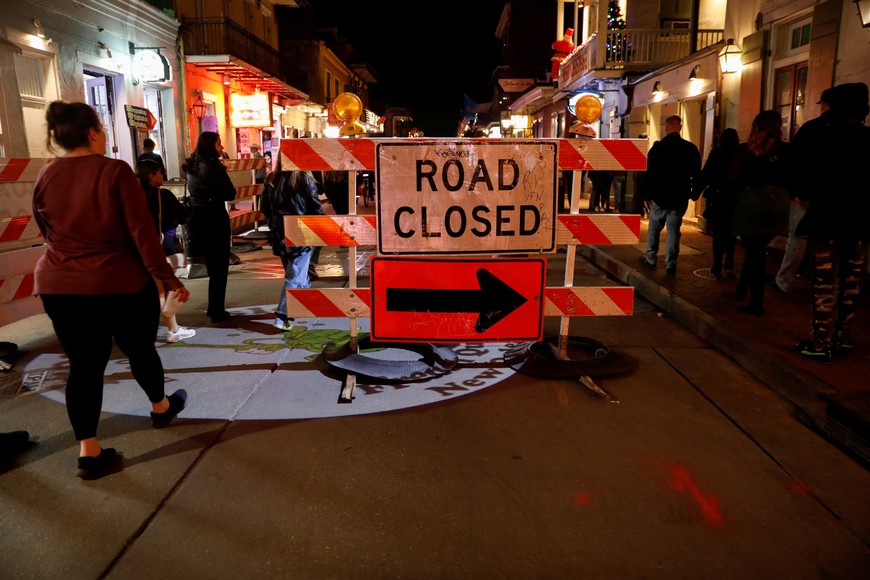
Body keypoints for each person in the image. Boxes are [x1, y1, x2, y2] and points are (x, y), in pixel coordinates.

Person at [32, 101, 190, 480]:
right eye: (101, 126)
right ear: (91, 133)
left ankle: (89, 451)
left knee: (84, 366)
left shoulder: (46, 174)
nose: (103, 132)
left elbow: (44, 228)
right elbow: (142, 234)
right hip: (117, 282)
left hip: (60, 283)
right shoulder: (114, 171)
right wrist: (167, 277)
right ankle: (159, 407)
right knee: (139, 349)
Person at [793, 82, 870, 362]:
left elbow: (798, 173)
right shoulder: (867, 138)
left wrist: (807, 196)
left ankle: (820, 340)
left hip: (825, 218)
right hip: (860, 222)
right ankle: (842, 335)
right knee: (851, 282)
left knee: (824, 282)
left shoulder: (816, 133)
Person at [772, 88, 834, 294]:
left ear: (824, 105)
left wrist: (793, 192)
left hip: (806, 194)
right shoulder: (858, 133)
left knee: (797, 239)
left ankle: (785, 279)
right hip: (835, 197)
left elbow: (791, 163)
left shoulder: (811, 128)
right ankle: (827, 283)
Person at [731, 110, 792, 316]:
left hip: (752, 205)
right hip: (776, 206)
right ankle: (742, 288)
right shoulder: (785, 151)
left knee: (754, 254)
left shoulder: (746, 150)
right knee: (756, 252)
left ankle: (756, 302)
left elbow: (736, 180)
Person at [137, 160, 196, 343]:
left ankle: (172, 328)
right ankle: (173, 328)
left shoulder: (133, 196)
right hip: (165, 245)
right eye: (160, 173)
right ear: (151, 176)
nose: (163, 176)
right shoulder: (163, 195)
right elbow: (185, 215)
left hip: (141, 250)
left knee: (157, 289)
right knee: (170, 287)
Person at [261, 166, 326, 330]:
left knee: (296, 273)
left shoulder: (271, 179)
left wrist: (274, 223)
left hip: (279, 234)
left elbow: (264, 208)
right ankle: (282, 316)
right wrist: (326, 225)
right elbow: (315, 207)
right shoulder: (303, 178)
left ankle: (305, 304)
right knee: (295, 275)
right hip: (300, 233)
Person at [183, 131, 238, 323]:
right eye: (219, 144)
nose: (222, 148)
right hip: (214, 218)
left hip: (198, 218)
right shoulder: (214, 167)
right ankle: (216, 309)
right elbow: (230, 193)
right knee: (219, 267)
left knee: (211, 264)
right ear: (210, 146)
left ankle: (213, 307)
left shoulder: (191, 166)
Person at [638, 115, 702, 275]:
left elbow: (649, 173)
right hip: (679, 196)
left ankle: (651, 258)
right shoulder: (690, 149)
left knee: (654, 228)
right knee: (674, 231)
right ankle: (670, 263)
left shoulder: (657, 149)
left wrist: (646, 195)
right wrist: (694, 193)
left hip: (659, 195)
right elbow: (697, 174)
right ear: (680, 127)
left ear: (666, 127)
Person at [697, 128, 741, 277]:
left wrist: (696, 192)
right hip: (735, 200)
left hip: (718, 199)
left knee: (718, 233)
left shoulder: (716, 154)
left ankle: (717, 264)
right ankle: (729, 261)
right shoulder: (740, 155)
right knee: (731, 233)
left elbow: (706, 175)